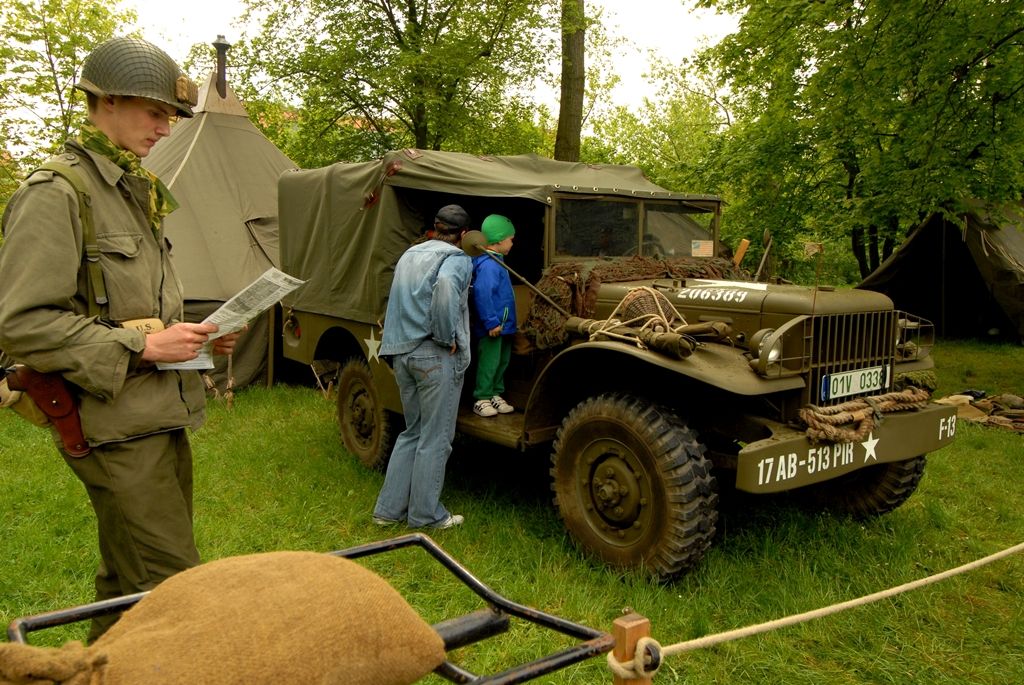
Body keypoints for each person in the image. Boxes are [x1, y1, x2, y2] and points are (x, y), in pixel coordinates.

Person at [0, 36, 241, 642]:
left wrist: (195, 339)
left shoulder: (131, 191)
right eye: (155, 112)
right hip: (111, 426)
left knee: (125, 578)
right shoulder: (57, 193)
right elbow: (21, 323)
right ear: (106, 100)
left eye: (171, 116)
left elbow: (136, 311)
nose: (165, 128)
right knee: (173, 591)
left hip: (155, 416)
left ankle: (95, 672)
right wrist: (145, 348)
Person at [372, 205, 474, 529]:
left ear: (435, 227)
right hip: (433, 354)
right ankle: (426, 515)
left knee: (412, 431)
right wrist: (446, 337)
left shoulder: (409, 254)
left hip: (401, 353)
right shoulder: (457, 259)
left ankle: (387, 511)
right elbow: (445, 289)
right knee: (436, 437)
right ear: (463, 234)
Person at [470, 214, 517, 417]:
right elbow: (482, 293)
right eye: (510, 239)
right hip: (493, 326)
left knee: (502, 361)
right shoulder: (489, 265)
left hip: (504, 325)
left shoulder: (498, 262)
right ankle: (482, 397)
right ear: (498, 240)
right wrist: (491, 322)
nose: (512, 243)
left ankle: (495, 394)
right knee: (489, 362)